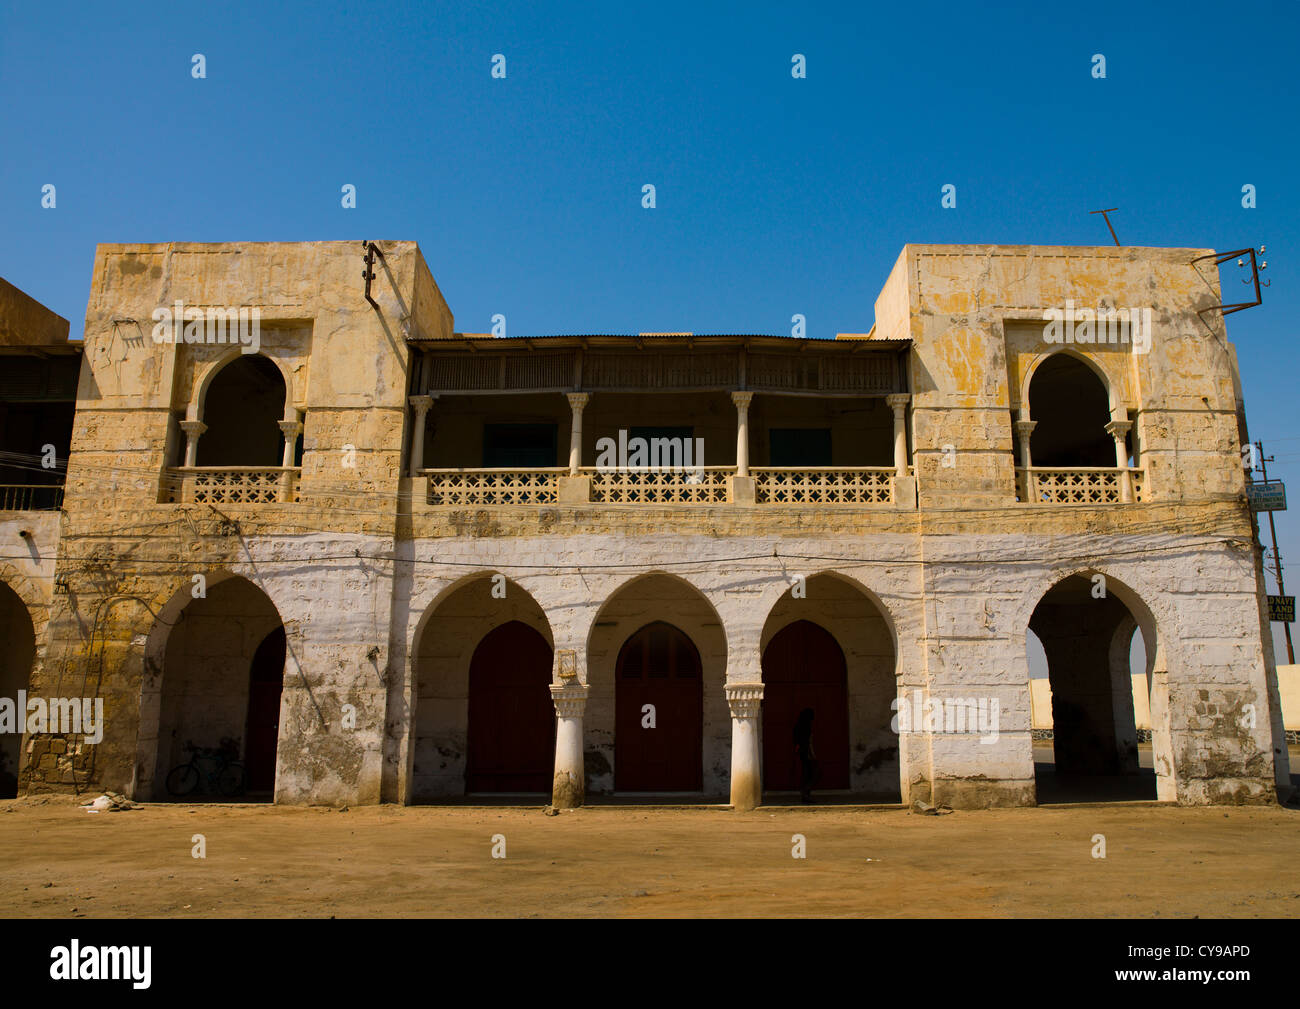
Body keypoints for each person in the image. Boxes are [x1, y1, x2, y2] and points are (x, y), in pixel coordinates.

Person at [793, 708, 818, 804]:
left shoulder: (798, 726)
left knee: (806, 774)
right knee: (813, 773)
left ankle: (806, 794)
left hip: (802, 753)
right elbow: (809, 742)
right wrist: (812, 754)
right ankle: (805, 793)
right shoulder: (806, 727)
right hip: (806, 753)